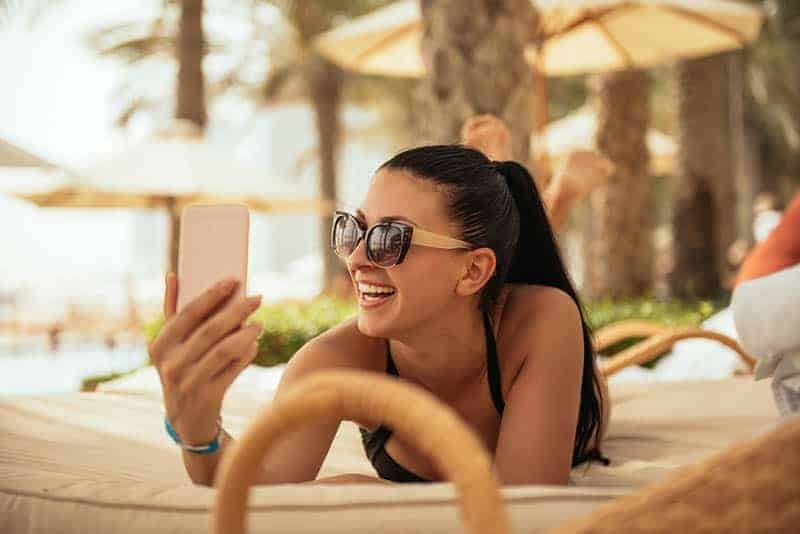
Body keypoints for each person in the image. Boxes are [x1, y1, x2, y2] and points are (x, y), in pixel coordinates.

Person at [149, 145, 611, 488]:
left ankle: (556, 198)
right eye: (354, 229)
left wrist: (369, 490)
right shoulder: (332, 363)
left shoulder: (542, 318)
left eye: (391, 238)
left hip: (578, 396)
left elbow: (528, 509)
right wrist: (198, 431)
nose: (357, 258)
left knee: (600, 391)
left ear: (473, 270)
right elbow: (258, 492)